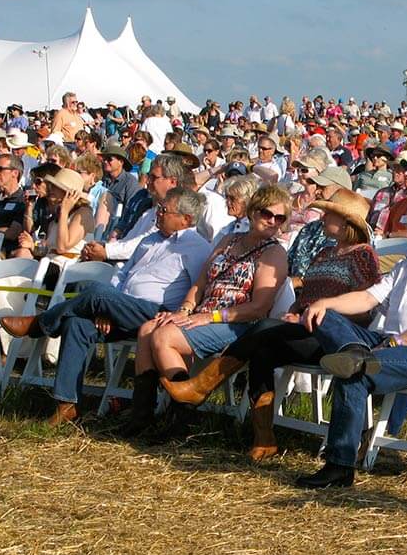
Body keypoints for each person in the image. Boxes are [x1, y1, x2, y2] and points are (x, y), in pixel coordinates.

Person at [162, 189, 381, 461]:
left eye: (330, 214)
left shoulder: (362, 256)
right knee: (263, 351)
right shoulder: (325, 253)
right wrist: (293, 311)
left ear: (346, 224)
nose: (323, 218)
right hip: (304, 329)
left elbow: (367, 306)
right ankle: (263, 438)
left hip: (335, 338)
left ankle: (202, 386)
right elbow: (307, 296)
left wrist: (328, 314)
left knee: (264, 328)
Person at [292, 197, 407, 489]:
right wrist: (324, 303)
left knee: (354, 373)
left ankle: (339, 465)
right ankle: (354, 354)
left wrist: (396, 343)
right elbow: (369, 298)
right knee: (326, 317)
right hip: (388, 341)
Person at [0, 188, 212, 425]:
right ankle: (67, 404)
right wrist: (107, 309)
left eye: (164, 211)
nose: (158, 214)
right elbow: (121, 276)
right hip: (123, 308)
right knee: (77, 323)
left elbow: (199, 289)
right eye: (159, 209)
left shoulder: (197, 248)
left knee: (96, 292)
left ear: (186, 219)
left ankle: (40, 323)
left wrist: (178, 315)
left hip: (158, 314)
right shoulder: (150, 238)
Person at [121, 185, 290, 435]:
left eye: (280, 218)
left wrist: (209, 316)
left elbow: (258, 308)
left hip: (236, 324)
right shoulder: (229, 240)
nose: (273, 221)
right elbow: (200, 283)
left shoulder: (273, 253)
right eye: (267, 214)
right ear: (253, 212)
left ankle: (180, 418)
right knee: (148, 329)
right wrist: (184, 310)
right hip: (205, 315)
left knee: (163, 336)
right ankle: (142, 414)